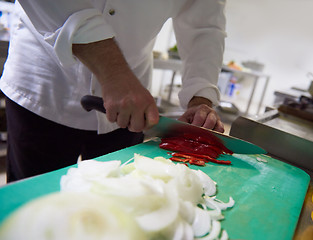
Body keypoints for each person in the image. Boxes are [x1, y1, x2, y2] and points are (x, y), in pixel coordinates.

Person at [0, 0, 227, 182]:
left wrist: (201, 96)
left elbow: (205, 26)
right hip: (45, 84)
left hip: (130, 108)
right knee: (35, 201)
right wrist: (114, 74)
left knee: (117, 197)